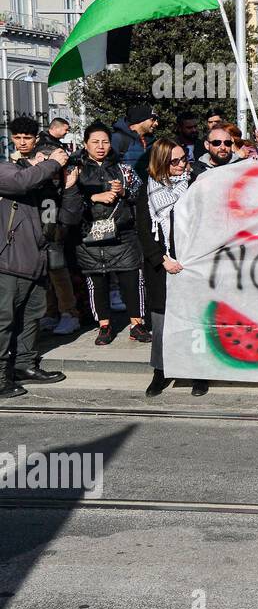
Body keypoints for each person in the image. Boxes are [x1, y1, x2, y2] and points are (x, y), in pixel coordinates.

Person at [64, 122, 149, 346]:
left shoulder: (123, 168)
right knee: (97, 282)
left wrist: (124, 191)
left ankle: (136, 324)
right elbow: (65, 201)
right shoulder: (74, 169)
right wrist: (92, 198)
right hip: (89, 236)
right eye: (95, 142)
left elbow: (140, 194)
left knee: (131, 279)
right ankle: (104, 326)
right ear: (85, 144)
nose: (101, 146)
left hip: (123, 234)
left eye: (105, 142)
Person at [0, 139, 73, 396]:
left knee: (32, 316)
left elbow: (58, 218)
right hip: (8, 262)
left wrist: (67, 186)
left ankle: (24, 366)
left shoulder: (43, 184)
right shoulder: (7, 170)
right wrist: (53, 162)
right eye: (46, 160)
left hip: (36, 261)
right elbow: (22, 182)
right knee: (4, 320)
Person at [136, 139, 207, 397]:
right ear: (161, 162)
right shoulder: (147, 191)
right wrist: (161, 259)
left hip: (192, 264)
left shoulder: (195, 183)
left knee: (195, 320)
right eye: (173, 161)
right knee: (162, 323)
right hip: (162, 266)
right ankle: (160, 371)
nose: (180, 165)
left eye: (183, 159)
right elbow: (144, 230)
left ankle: (199, 372)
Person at [11, 119, 79, 337]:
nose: (22, 142)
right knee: (41, 273)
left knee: (56, 266)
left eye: (27, 138)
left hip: (51, 218)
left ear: (36, 138)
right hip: (27, 223)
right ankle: (50, 312)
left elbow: (66, 179)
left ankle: (69, 313)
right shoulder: (14, 162)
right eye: (18, 138)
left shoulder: (49, 153)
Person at [110, 103, 157, 172]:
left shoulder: (152, 142)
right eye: (152, 120)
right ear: (141, 119)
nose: (156, 123)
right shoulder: (117, 139)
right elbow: (107, 166)